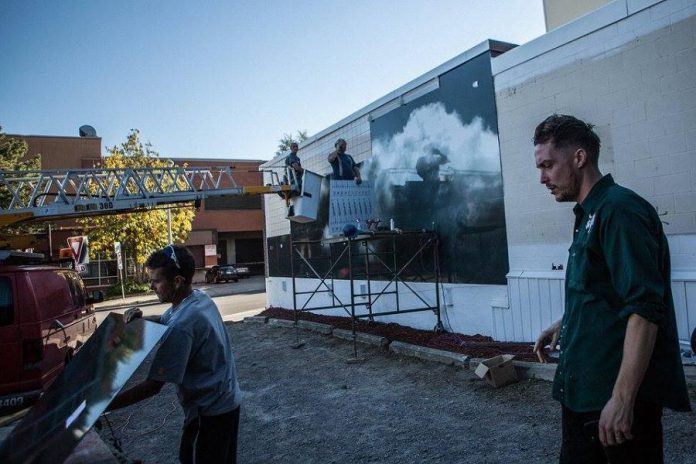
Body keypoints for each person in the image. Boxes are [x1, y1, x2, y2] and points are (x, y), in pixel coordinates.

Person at [532, 114, 690, 463]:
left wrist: (622, 400)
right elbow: (604, 290)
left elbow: (645, 308)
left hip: (611, 402)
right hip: (584, 395)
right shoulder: (590, 213)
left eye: (547, 165)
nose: (542, 178)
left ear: (578, 157)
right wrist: (566, 323)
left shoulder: (619, 211)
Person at [108, 244, 241, 464]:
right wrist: (140, 321)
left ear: (177, 281)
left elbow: (152, 386)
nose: (152, 286)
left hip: (209, 413)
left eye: (156, 281)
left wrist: (104, 406)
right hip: (227, 400)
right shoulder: (197, 299)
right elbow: (165, 320)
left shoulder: (183, 324)